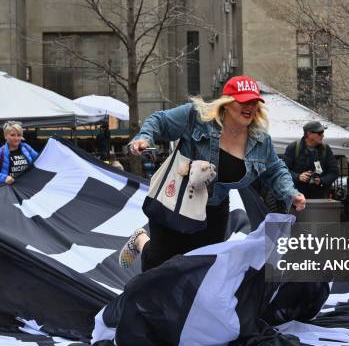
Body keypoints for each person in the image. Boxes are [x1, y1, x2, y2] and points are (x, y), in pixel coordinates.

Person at [119, 75, 306, 271]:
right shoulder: (196, 117)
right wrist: (145, 138)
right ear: (226, 103)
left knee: (203, 268)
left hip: (214, 210)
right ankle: (140, 240)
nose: (250, 107)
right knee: (160, 264)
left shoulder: (260, 141)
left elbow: (275, 169)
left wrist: (291, 193)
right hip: (177, 200)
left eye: (254, 102)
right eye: (243, 101)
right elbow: (160, 121)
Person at [283, 121, 338, 199]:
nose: (323, 135)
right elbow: (284, 171)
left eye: (323, 133)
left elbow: (334, 172)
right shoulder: (293, 147)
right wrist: (298, 177)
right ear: (309, 134)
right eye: (320, 133)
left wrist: (321, 180)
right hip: (297, 197)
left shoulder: (326, 149)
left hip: (320, 197)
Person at [0, 121, 38, 185]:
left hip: (26, 187)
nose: (16, 138)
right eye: (12, 135)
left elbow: (40, 161)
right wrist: (4, 178)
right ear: (5, 136)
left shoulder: (26, 148)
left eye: (19, 135)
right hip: (9, 191)